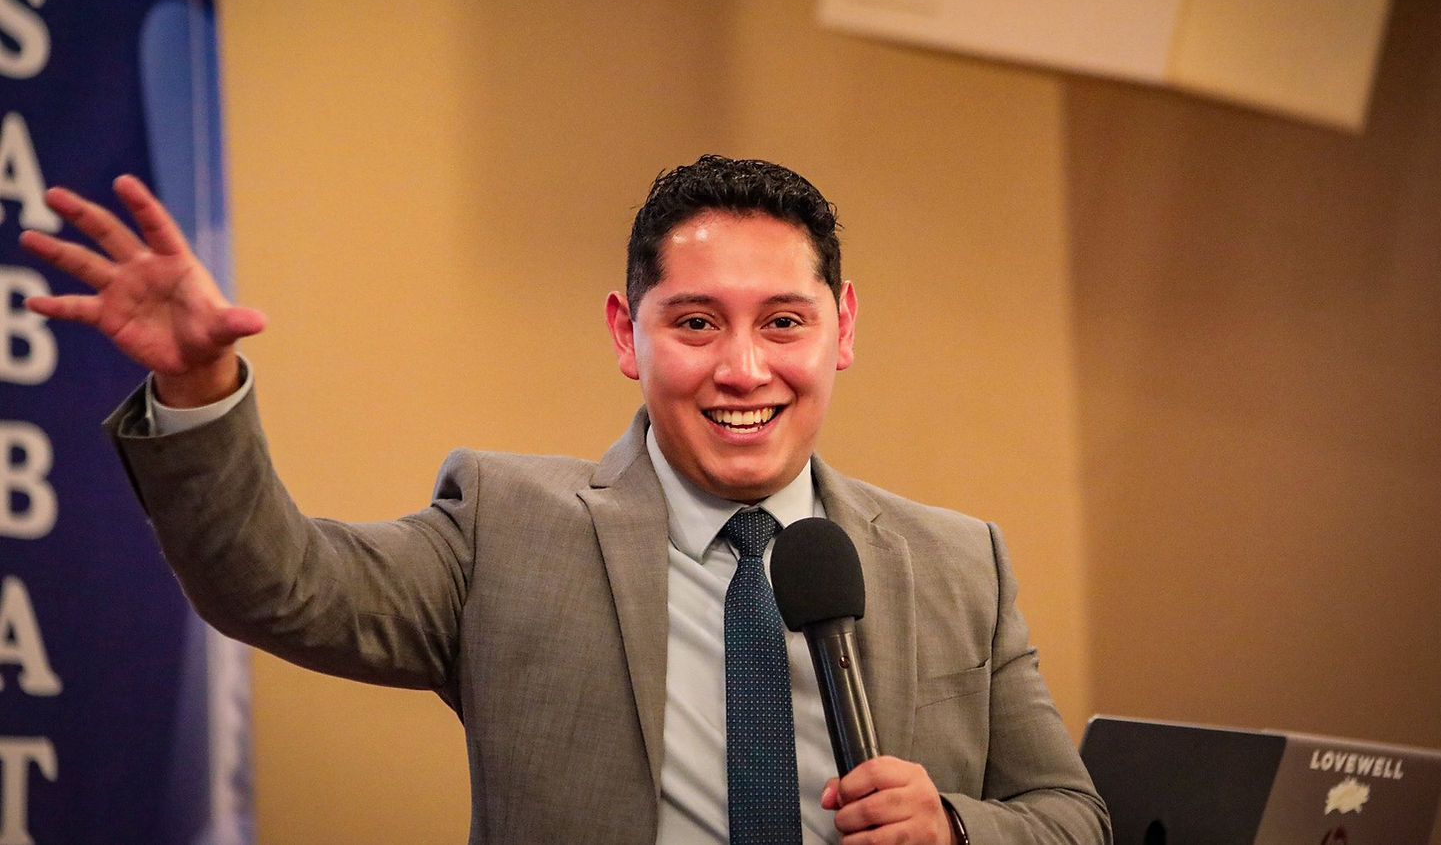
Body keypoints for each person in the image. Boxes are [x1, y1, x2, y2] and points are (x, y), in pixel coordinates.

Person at [21, 156, 1109, 845]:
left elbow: (1073, 816)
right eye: (693, 323)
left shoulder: (961, 560)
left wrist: (956, 828)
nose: (743, 368)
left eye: (784, 321)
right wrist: (199, 387)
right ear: (624, 335)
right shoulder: (509, 525)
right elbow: (281, 585)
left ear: (844, 328)